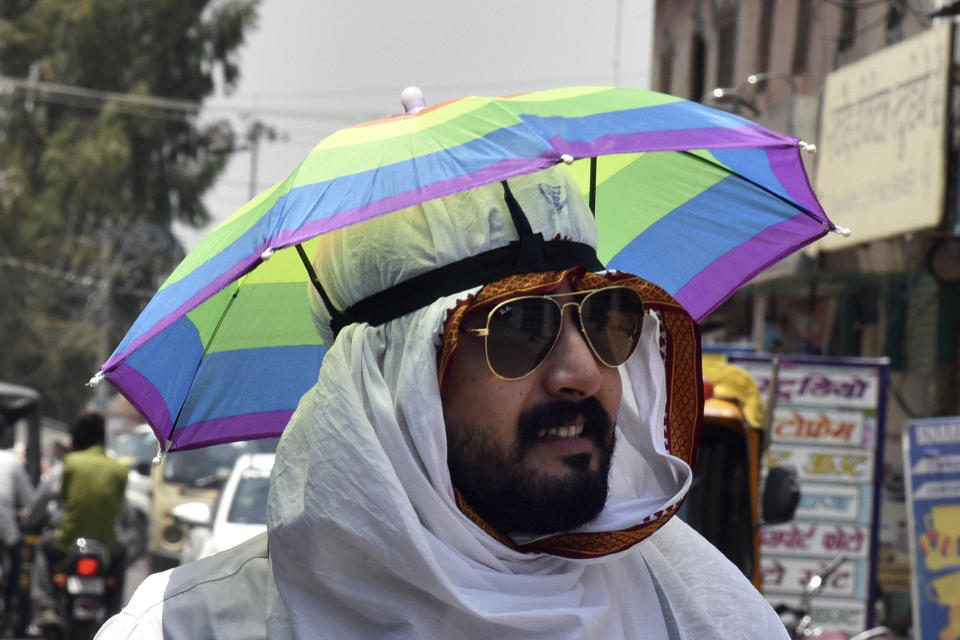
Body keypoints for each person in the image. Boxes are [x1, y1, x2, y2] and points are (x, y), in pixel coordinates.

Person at [97, 166, 788, 638]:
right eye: (521, 328)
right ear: (393, 387)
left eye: (604, 317)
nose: (582, 372)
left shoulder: (699, 613)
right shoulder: (191, 627)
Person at [32, 411, 128, 628]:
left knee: (42, 548)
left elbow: (58, 497)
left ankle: (46, 605)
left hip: (67, 542)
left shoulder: (70, 463)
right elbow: (121, 508)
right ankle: (115, 611)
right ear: (102, 438)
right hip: (106, 545)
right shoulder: (119, 469)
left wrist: (29, 519)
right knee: (122, 555)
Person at [0, 415, 34, 612]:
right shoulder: (12, 461)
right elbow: (29, 499)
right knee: (16, 557)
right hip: (6, 527)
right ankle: (13, 597)